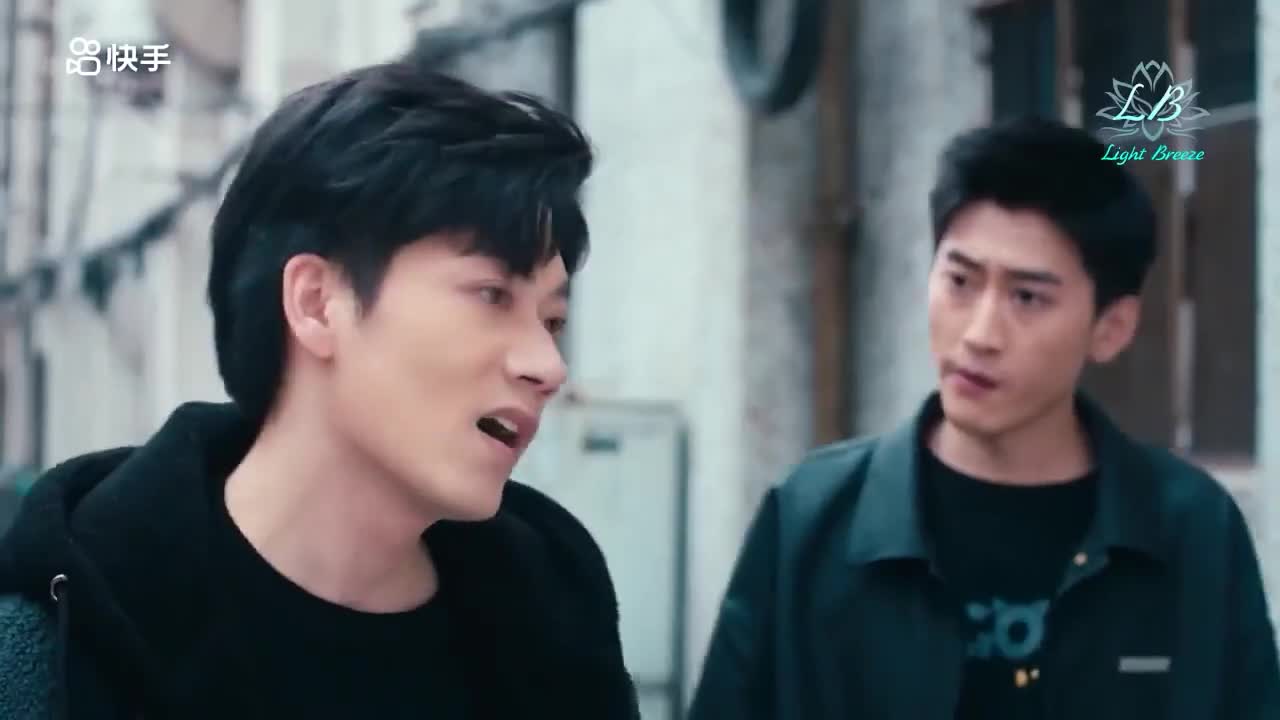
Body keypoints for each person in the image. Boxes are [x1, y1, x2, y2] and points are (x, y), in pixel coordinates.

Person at [0, 59, 639, 719]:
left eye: (552, 321)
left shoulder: (552, 623)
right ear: (316, 304)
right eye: (492, 295)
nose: (547, 366)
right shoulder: (61, 650)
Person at [688, 117, 1280, 719]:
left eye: (1027, 297)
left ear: (1112, 328)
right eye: (960, 281)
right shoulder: (810, 519)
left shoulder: (1191, 531)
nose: (979, 334)